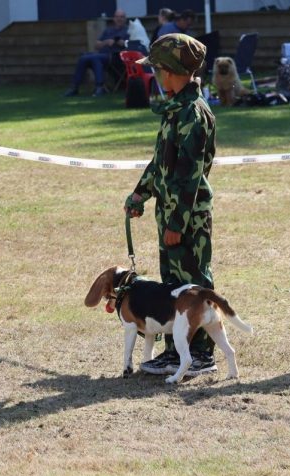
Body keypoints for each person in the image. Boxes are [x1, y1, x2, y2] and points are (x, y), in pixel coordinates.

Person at [124, 34, 218, 377]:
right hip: (170, 213)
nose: (157, 77)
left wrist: (177, 223)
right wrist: (140, 195)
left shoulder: (193, 113)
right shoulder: (175, 108)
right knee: (173, 288)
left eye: (159, 69)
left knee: (193, 285)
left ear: (171, 71)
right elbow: (160, 162)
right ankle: (177, 350)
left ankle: (201, 355)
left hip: (187, 219)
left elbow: (190, 176)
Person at [64, 10, 128, 97]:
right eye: (117, 17)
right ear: (114, 18)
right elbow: (97, 45)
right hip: (102, 55)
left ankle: (99, 86)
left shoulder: (128, 31)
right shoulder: (108, 30)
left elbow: (130, 44)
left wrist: (120, 42)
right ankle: (74, 87)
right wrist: (106, 42)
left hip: (115, 57)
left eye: (121, 17)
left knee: (95, 58)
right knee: (83, 57)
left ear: (125, 19)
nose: (119, 19)